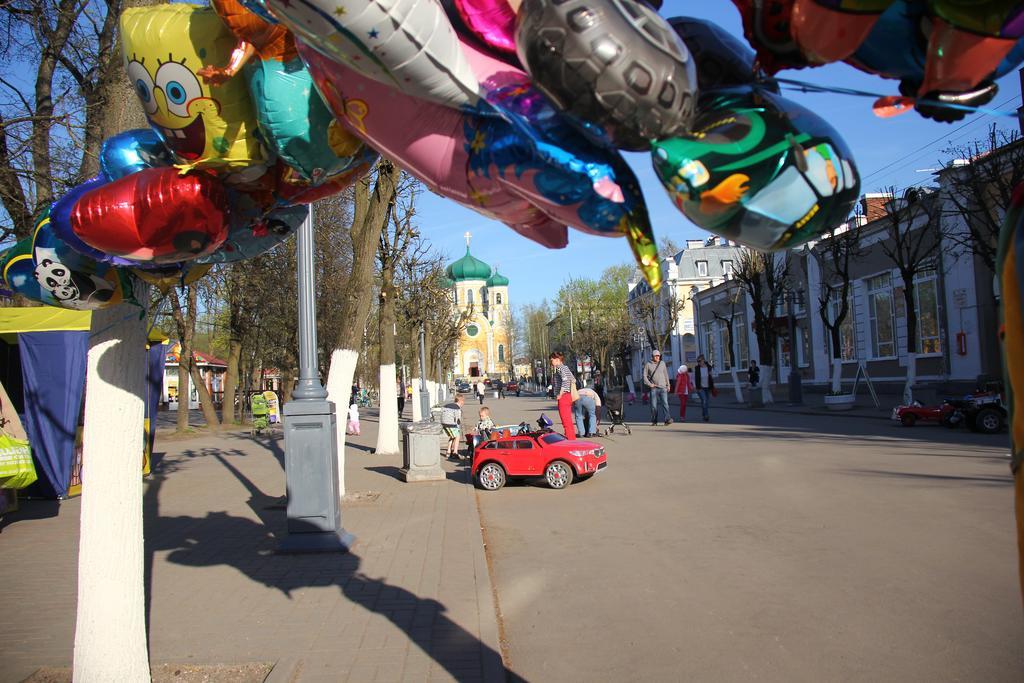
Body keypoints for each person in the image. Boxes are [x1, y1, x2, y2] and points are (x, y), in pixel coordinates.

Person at [550, 351, 578, 440]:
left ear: (557, 360)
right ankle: (571, 438)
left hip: (564, 397)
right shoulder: (565, 368)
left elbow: (565, 381)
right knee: (568, 421)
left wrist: (560, 394)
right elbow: (573, 380)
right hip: (568, 396)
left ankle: (570, 441)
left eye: (552, 360)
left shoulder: (560, 368)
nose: (551, 362)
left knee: (565, 421)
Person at [643, 350, 672, 426]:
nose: (657, 357)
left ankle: (667, 419)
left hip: (663, 388)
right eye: (656, 356)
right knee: (653, 406)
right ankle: (654, 420)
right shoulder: (648, 364)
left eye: (658, 356)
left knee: (665, 404)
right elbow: (644, 376)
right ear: (652, 356)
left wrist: (668, 385)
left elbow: (666, 374)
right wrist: (650, 384)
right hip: (654, 388)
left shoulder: (662, 363)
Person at [441, 395, 465, 459]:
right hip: (451, 424)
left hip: (444, 423)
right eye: (463, 401)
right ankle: (455, 452)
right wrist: (458, 428)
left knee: (452, 436)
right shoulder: (457, 408)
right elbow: (458, 419)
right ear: (460, 401)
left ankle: (448, 452)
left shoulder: (448, 405)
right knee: (457, 436)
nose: (463, 403)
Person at [694, 355, 715, 422]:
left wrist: (712, 386)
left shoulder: (709, 367)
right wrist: (697, 388)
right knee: (704, 401)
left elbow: (711, 377)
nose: (699, 362)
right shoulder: (697, 368)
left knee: (706, 402)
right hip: (701, 388)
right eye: (698, 361)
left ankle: (704, 413)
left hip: (708, 387)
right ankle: (706, 415)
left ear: (703, 360)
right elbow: (696, 379)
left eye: (700, 361)